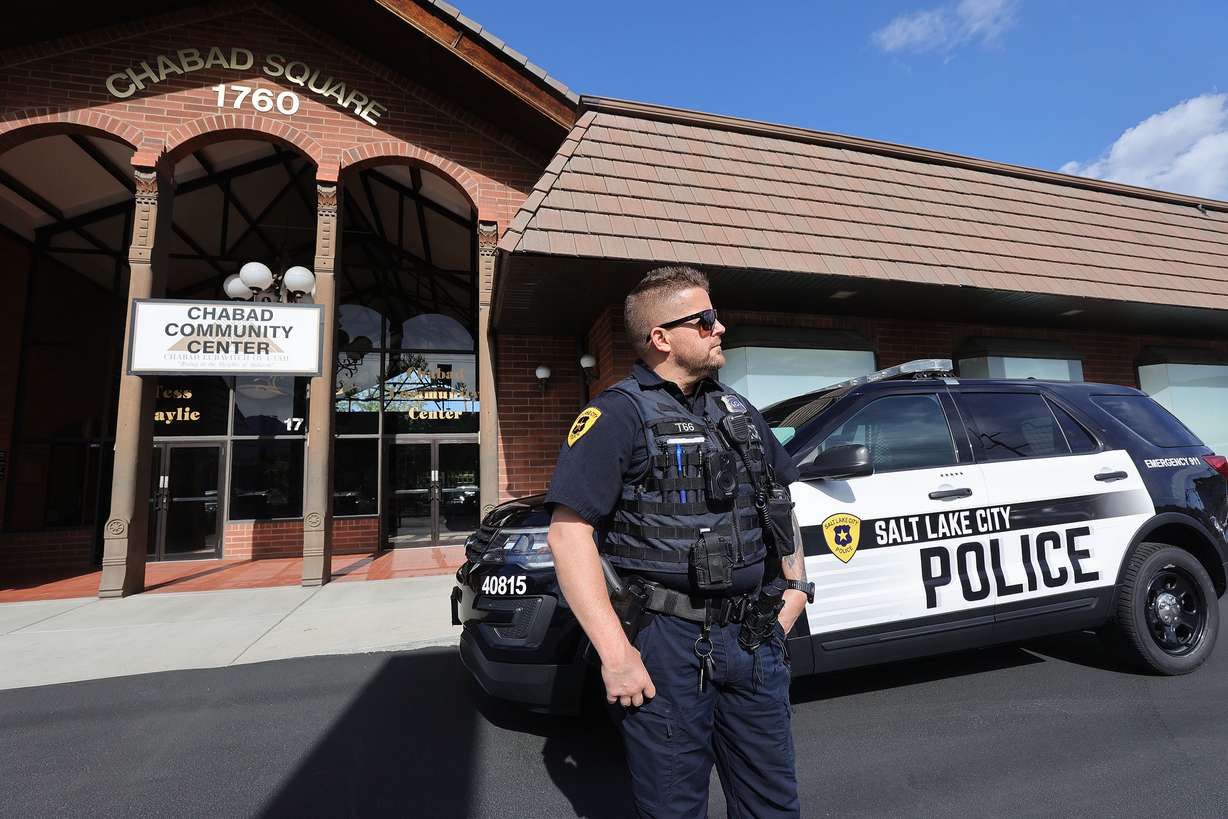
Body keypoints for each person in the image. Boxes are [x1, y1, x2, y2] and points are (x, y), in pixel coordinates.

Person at [545, 265, 813, 818]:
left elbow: (779, 506)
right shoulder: (616, 414)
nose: (722, 328)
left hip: (755, 636)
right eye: (706, 319)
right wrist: (616, 655)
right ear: (661, 338)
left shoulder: (737, 411)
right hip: (667, 642)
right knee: (673, 808)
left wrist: (796, 589)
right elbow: (568, 537)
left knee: (774, 805)